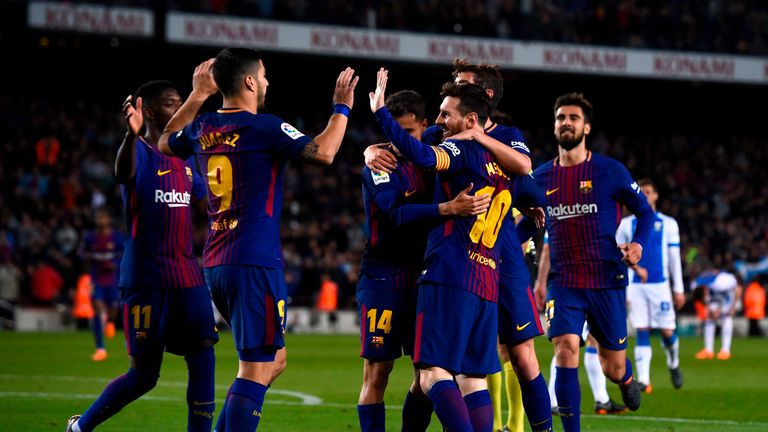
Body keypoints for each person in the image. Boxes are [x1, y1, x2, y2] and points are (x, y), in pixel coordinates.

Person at [159, 48, 358, 431]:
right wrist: (342, 107)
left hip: (217, 261)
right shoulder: (265, 127)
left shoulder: (202, 128)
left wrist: (198, 96)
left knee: (273, 360)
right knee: (256, 367)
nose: (267, 82)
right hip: (253, 261)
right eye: (263, 76)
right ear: (250, 81)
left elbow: (166, 140)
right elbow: (326, 152)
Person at [365, 60, 551, 432]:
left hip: (449, 271)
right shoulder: (505, 169)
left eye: (448, 109)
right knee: (473, 378)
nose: (439, 118)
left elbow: (419, 155)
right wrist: (371, 149)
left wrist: (379, 113)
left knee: (432, 372)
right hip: (486, 276)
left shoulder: (460, 150)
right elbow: (534, 191)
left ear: (476, 109)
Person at [66, 78, 218, 432]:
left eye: (181, 101)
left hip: (187, 276)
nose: (178, 107)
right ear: (148, 111)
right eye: (170, 102)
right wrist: (130, 135)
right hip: (146, 282)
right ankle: (80, 427)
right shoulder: (138, 153)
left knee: (203, 355)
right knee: (144, 377)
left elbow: (207, 196)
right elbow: (123, 172)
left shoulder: (187, 158)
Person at [357, 89, 492, 432]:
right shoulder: (381, 164)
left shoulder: (434, 149)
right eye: (393, 133)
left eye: (409, 133)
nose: (399, 142)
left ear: (425, 127)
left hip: (423, 276)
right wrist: (371, 149)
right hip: (383, 279)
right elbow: (397, 213)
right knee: (378, 372)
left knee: (426, 374)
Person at [531, 92, 654, 432]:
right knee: (566, 349)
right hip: (564, 282)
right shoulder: (540, 179)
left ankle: (626, 377)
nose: (565, 122)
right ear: (554, 125)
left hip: (606, 279)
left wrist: (639, 245)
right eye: (560, 117)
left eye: (573, 117)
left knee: (611, 367)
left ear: (586, 127)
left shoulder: (609, 171)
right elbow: (527, 225)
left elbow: (644, 212)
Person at [536, 232, 627, 416]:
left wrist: (541, 282)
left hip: (570, 286)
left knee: (580, 343)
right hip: (582, 285)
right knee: (568, 346)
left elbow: (547, 249)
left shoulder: (559, 210)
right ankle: (553, 399)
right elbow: (546, 249)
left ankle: (602, 399)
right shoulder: (591, 213)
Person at [616, 178, 685, 391]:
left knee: (667, 332)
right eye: (642, 192)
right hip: (636, 287)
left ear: (655, 196)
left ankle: (673, 363)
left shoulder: (668, 224)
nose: (644, 195)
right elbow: (619, 251)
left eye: (648, 191)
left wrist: (679, 289)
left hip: (660, 286)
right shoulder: (626, 225)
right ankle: (644, 381)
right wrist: (631, 278)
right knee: (642, 330)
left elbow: (674, 259)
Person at [79, 208, 124, 361]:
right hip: (96, 278)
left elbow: (125, 255)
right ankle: (100, 348)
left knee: (114, 307)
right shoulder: (90, 238)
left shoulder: (117, 238)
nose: (100, 220)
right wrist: (86, 258)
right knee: (97, 307)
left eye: (103, 217)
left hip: (112, 278)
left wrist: (115, 264)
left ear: (108, 219)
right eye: (98, 217)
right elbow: (81, 253)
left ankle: (110, 322)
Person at [692, 269, 743, 359]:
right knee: (709, 317)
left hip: (728, 295)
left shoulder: (723, 283)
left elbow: (738, 289)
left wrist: (733, 306)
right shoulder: (695, 284)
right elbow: (701, 298)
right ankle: (708, 350)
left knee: (726, 317)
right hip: (715, 295)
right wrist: (709, 308)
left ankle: (725, 350)